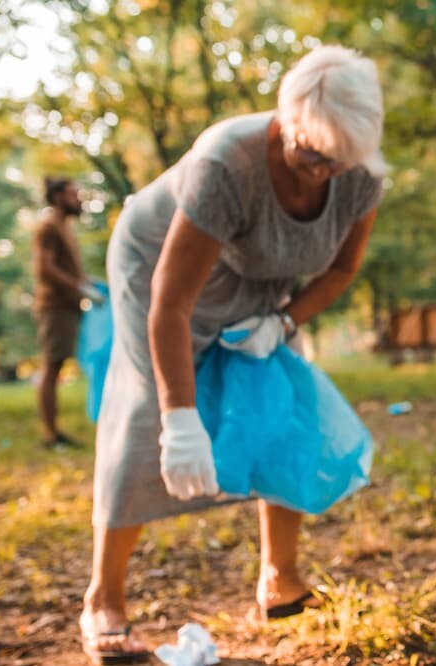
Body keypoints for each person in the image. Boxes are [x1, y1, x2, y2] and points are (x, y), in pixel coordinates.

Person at [80, 45, 385, 664]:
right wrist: (180, 417)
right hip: (159, 269)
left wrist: (283, 322)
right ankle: (103, 597)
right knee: (145, 414)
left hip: (263, 279)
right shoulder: (229, 162)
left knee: (279, 399)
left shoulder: (360, 174)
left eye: (338, 160)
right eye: (309, 153)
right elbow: (170, 302)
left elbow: (342, 269)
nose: (321, 171)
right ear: (285, 117)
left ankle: (281, 577)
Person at [31, 176, 102, 449]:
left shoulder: (64, 228)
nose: (79, 199)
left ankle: (54, 432)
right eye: (73, 194)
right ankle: (51, 435)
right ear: (58, 196)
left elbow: (66, 267)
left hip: (69, 306)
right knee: (52, 366)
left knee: (58, 365)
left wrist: (87, 282)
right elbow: (44, 268)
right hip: (54, 307)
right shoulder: (48, 227)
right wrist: (79, 287)